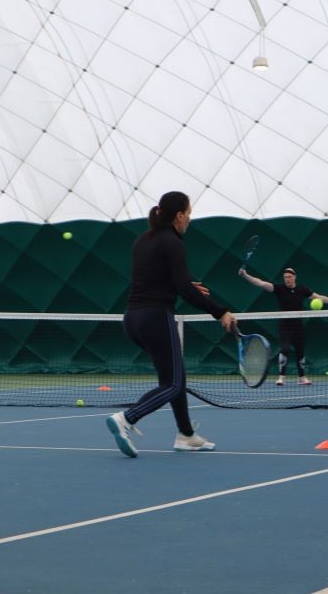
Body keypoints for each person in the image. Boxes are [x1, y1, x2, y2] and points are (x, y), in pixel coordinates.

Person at [106, 191, 235, 458]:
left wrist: (185, 286)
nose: (190, 219)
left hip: (132, 319)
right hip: (156, 318)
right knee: (174, 384)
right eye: (188, 213)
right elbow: (184, 291)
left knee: (174, 378)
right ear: (178, 216)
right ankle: (127, 418)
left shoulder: (142, 240)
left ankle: (186, 435)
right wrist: (220, 311)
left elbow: (161, 279)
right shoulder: (173, 242)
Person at [238, 267, 328, 385]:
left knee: (300, 351)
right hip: (285, 325)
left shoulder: (302, 289)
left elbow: (320, 297)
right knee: (284, 349)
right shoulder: (279, 289)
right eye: (285, 277)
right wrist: (245, 275)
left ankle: (302, 378)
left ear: (294, 277)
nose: (287, 279)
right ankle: (281, 377)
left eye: (290, 277)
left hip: (298, 325)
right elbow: (260, 283)